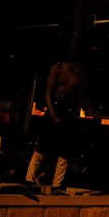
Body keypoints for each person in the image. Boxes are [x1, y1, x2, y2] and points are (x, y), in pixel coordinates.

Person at [25, 58, 89, 195]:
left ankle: (57, 185)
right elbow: (48, 93)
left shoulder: (78, 72)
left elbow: (79, 96)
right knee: (42, 148)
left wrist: (76, 115)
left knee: (65, 152)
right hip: (55, 108)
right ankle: (29, 181)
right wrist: (53, 114)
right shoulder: (57, 68)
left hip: (69, 112)